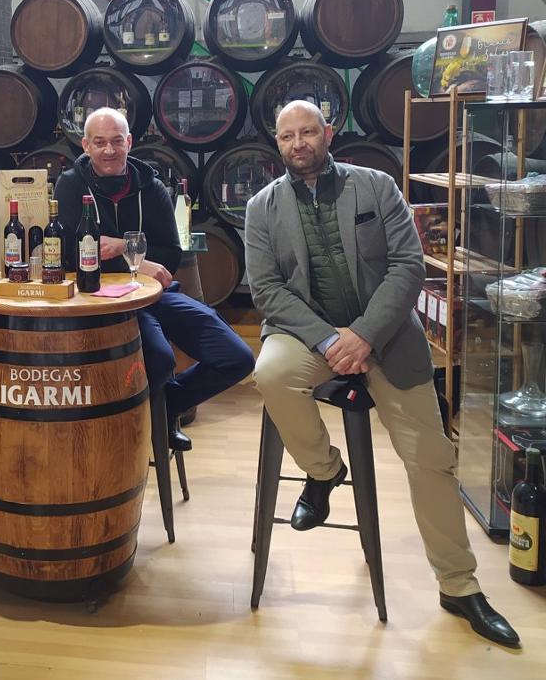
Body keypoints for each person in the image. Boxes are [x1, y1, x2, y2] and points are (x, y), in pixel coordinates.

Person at [242, 100, 520, 648]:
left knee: (431, 460)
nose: (299, 143)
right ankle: (323, 473)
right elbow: (267, 290)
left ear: (328, 133)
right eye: (287, 136)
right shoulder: (261, 207)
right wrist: (329, 339)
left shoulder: (375, 187)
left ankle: (458, 585)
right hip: (308, 337)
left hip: (386, 338)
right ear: (277, 144)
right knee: (270, 374)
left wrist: (363, 335)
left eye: (308, 132)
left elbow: (408, 266)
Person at [54, 108, 254, 450]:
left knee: (236, 356)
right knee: (160, 359)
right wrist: (139, 258)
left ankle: (166, 407)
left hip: (152, 295)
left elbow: (171, 255)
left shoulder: (153, 188)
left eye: (117, 141)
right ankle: (149, 419)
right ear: (85, 145)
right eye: (99, 142)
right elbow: (72, 253)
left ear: (129, 142)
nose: (109, 150)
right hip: (99, 301)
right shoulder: (71, 185)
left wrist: (121, 249)